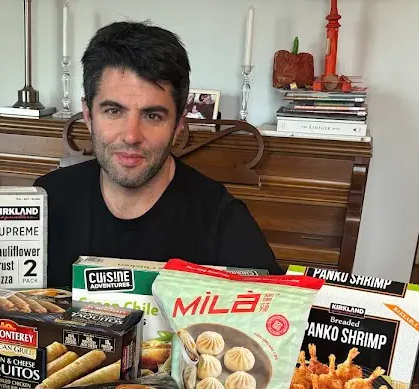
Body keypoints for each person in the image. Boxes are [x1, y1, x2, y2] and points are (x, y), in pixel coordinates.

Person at [36, 21, 281, 288]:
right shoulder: (46, 200)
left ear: (178, 125)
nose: (131, 136)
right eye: (114, 111)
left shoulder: (223, 220)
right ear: (88, 114)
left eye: (152, 116)